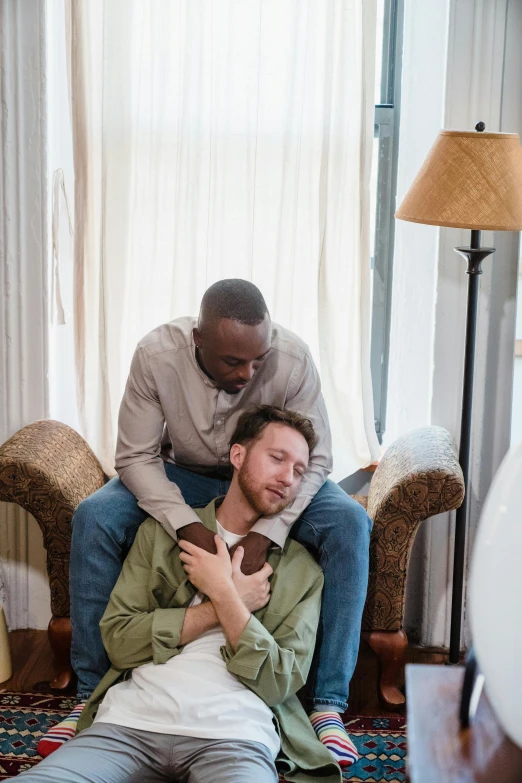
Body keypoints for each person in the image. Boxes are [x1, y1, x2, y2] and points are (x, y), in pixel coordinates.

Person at [39, 279, 371, 768]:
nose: (247, 372)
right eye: (233, 362)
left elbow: (315, 459)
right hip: (181, 474)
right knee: (95, 517)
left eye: (257, 360)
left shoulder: (294, 360)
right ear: (198, 339)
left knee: (349, 522)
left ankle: (327, 706)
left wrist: (269, 531)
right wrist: (183, 524)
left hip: (268, 476)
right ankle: (89, 697)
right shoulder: (155, 355)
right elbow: (135, 456)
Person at [21, 408, 345, 783]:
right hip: (126, 726)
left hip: (235, 739)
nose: (288, 478)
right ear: (238, 456)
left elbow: (280, 682)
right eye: (277, 458)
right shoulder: (160, 536)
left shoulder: (301, 570)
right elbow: (118, 641)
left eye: (300, 471)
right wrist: (219, 604)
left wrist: (224, 593)